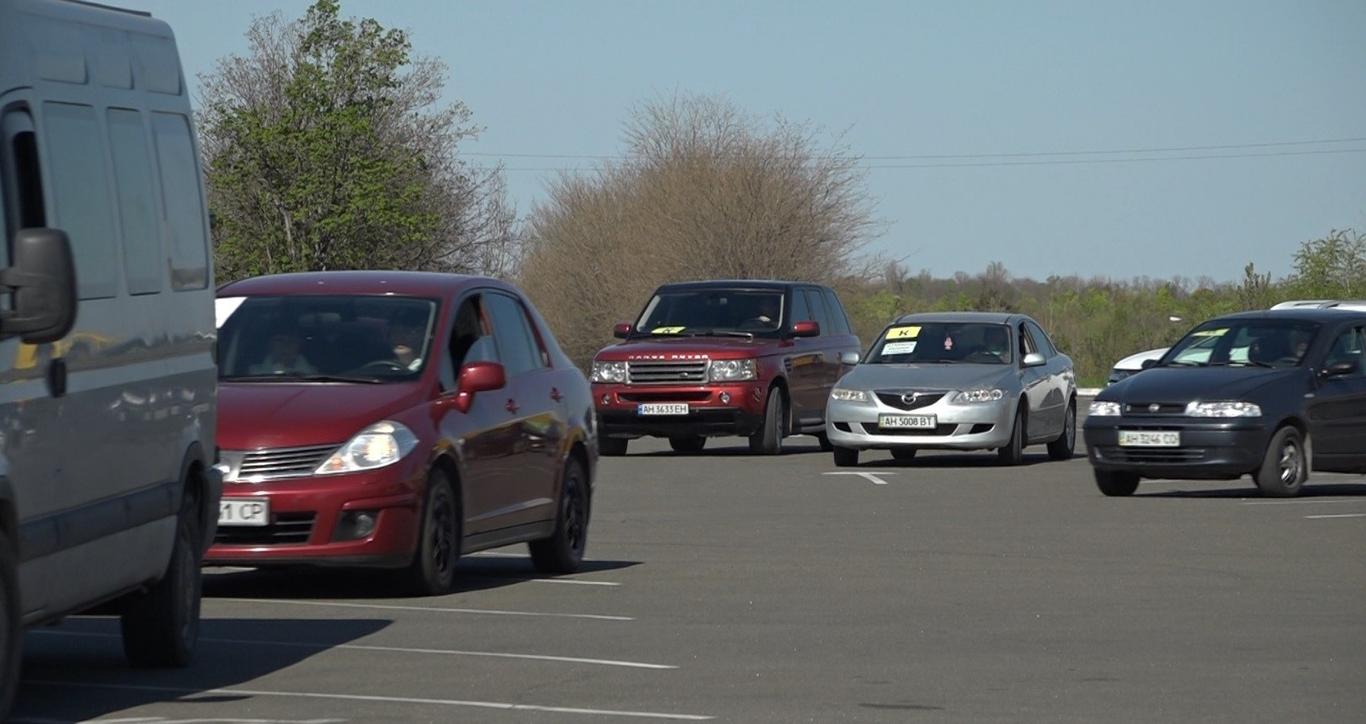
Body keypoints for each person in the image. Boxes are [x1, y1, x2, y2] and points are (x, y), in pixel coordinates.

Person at [249, 331, 317, 376]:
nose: (286, 345)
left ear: (300, 346)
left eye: (292, 340)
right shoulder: (251, 376)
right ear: (269, 345)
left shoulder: (315, 377)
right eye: (280, 340)